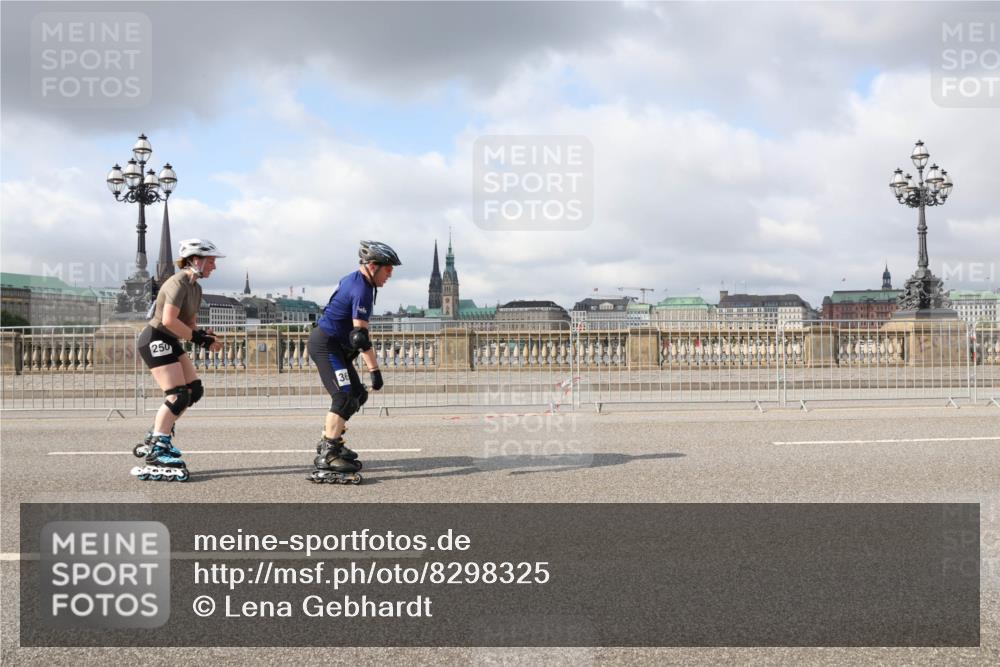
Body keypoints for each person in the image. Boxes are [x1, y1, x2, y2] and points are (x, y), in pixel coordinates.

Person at [308, 240, 400, 484]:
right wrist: (375, 370)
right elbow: (359, 337)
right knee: (344, 396)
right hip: (325, 345)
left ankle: (333, 441)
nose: (390, 274)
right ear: (372, 265)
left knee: (358, 394)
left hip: (336, 347)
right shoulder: (362, 289)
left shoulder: (355, 280)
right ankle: (327, 455)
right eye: (388, 268)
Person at [132, 239, 225, 481]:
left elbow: (189, 325)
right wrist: (200, 340)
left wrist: (204, 334)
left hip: (169, 339)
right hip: (155, 338)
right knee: (177, 395)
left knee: (194, 390)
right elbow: (169, 321)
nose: (214, 266)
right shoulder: (177, 283)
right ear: (196, 260)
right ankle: (158, 448)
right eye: (212, 261)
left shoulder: (196, 288)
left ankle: (157, 434)